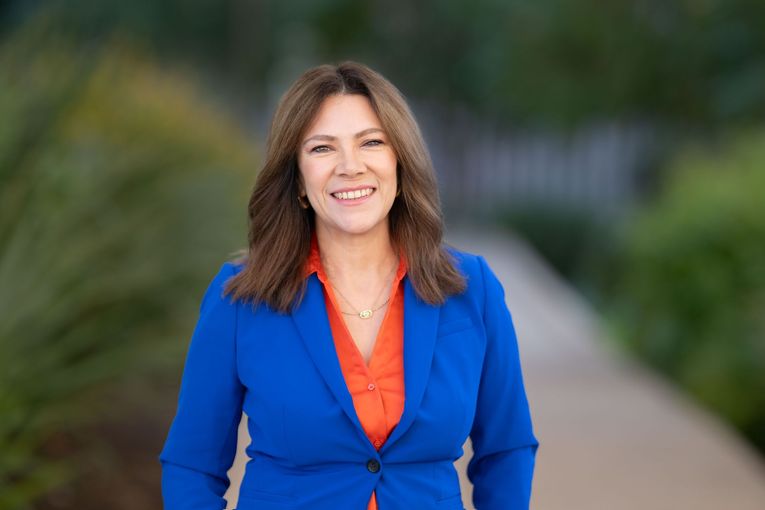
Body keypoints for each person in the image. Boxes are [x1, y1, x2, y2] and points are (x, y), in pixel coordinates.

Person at [159, 61, 538, 510]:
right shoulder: (240, 300)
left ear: (400, 161)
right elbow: (192, 466)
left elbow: (506, 449)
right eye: (322, 149)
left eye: (371, 142)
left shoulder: (472, 290)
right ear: (298, 180)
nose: (350, 166)